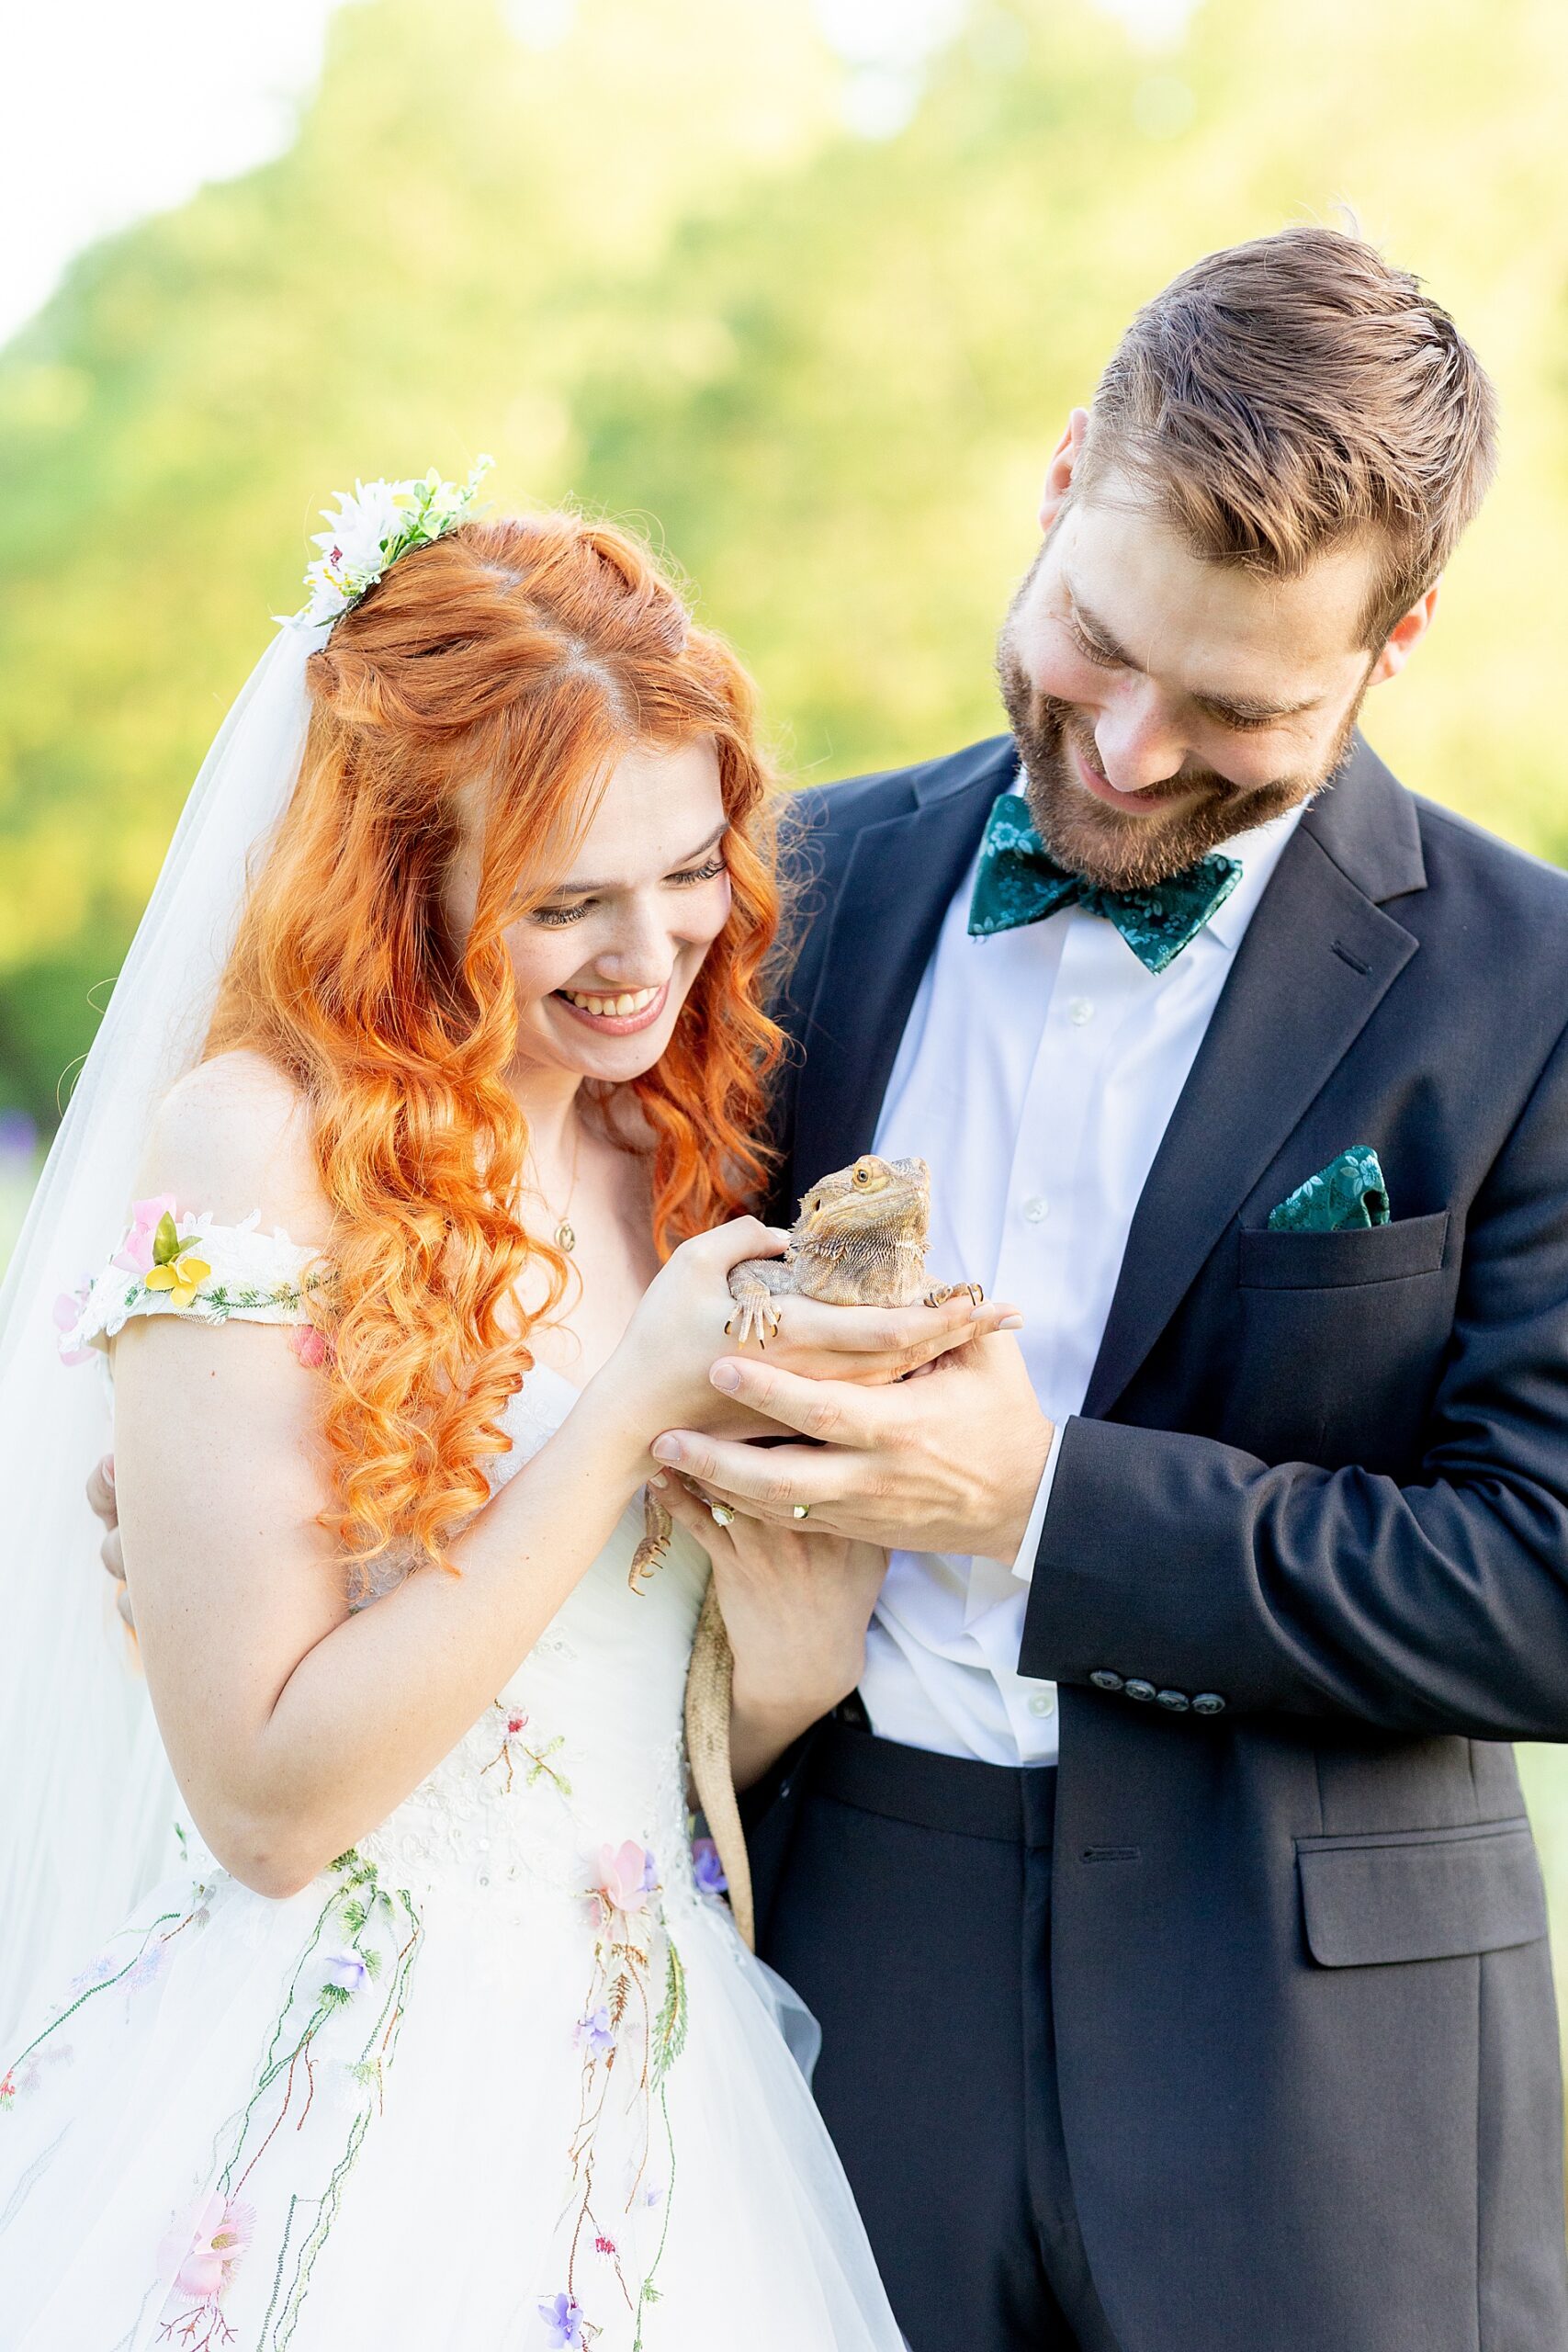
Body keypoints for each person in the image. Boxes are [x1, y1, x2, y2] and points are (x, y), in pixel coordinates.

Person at [637, 228, 1568, 2350]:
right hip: (836, 1956)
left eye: (1235, 707)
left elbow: (1542, 1572)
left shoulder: (1532, 991)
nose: (1132, 752)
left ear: (1394, 641)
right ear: (1062, 477)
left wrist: (1035, 1500)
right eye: (1088, 644)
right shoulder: (777, 898)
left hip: (1317, 2063)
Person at [0, 483, 1010, 2348]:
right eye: (566, 900)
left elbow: (638, 1699)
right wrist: (628, 1401)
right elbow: (271, 1800)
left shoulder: (662, 1150)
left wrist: (794, 1646)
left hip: (660, 2098)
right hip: (353, 2080)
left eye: (692, 869)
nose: (655, 951)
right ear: (410, 875)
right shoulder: (253, 1147)